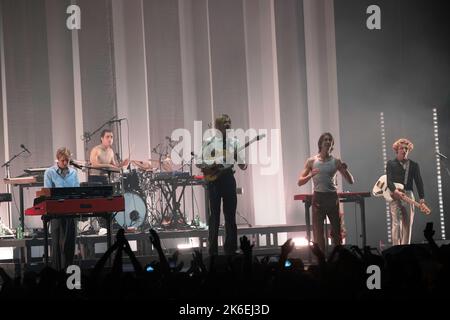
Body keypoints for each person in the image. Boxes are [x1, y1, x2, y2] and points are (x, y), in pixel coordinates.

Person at [297, 132, 354, 253]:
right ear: (321, 143)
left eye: (330, 140)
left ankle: (338, 259)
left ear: (332, 144)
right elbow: (300, 182)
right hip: (318, 198)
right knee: (318, 233)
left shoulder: (336, 161)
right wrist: (310, 175)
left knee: (337, 232)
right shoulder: (312, 161)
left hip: (332, 198)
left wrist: (345, 170)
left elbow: (351, 181)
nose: (328, 141)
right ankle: (321, 260)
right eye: (325, 140)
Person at [200, 114, 247, 256]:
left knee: (230, 216)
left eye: (229, 122)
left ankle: (231, 249)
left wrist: (239, 159)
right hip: (214, 181)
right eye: (224, 123)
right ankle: (212, 250)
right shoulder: (209, 141)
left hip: (228, 179)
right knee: (214, 216)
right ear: (217, 126)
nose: (227, 125)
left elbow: (243, 165)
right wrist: (214, 163)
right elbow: (200, 162)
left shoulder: (235, 142)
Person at [44, 147, 80, 270]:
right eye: (63, 160)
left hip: (71, 211)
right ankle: (57, 273)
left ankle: (69, 272)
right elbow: (47, 193)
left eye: (67, 161)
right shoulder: (49, 172)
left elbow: (77, 191)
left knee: (70, 244)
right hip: (57, 212)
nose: (65, 163)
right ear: (58, 159)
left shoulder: (74, 172)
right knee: (58, 245)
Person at [386, 138, 426, 245]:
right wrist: (395, 191)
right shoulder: (390, 163)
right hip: (395, 195)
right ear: (397, 150)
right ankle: (396, 248)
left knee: (407, 224)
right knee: (396, 223)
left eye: (406, 148)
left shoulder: (413, 165)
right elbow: (388, 181)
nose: (404, 150)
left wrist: (421, 198)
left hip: (408, 194)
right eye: (402, 148)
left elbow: (419, 182)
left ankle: (405, 249)